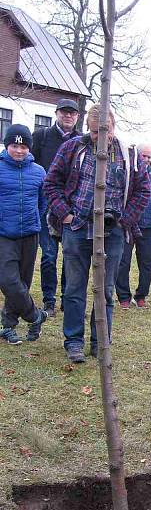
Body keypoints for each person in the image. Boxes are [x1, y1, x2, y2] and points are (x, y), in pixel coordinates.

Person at [44, 104, 150, 363]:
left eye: (105, 130)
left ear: (113, 125)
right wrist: (66, 216)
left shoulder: (128, 154)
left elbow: (143, 190)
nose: (100, 137)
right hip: (77, 229)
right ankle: (74, 342)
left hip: (112, 233)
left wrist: (124, 221)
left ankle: (100, 342)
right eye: (94, 132)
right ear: (87, 129)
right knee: (74, 288)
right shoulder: (72, 149)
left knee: (105, 290)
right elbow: (51, 184)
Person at [31, 98, 81, 317]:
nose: (68, 116)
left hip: (73, 208)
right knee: (49, 256)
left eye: (72, 113)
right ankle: (49, 300)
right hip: (46, 206)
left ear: (78, 116)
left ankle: (66, 300)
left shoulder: (83, 141)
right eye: (64, 112)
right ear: (57, 113)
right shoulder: (41, 137)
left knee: (71, 256)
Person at [0, 124, 48, 345]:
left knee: (22, 282)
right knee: (8, 280)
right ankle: (35, 316)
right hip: (4, 234)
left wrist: (33, 220)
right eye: (14, 145)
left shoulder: (39, 172)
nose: (19, 150)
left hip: (29, 234)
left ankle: (8, 326)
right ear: (6, 145)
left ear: (29, 147)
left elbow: (42, 203)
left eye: (24, 146)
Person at [116, 143, 151, 309]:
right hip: (127, 224)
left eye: (150, 156)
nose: (147, 160)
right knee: (123, 261)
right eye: (144, 156)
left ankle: (141, 295)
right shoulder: (127, 172)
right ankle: (123, 297)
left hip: (147, 226)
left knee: (148, 261)